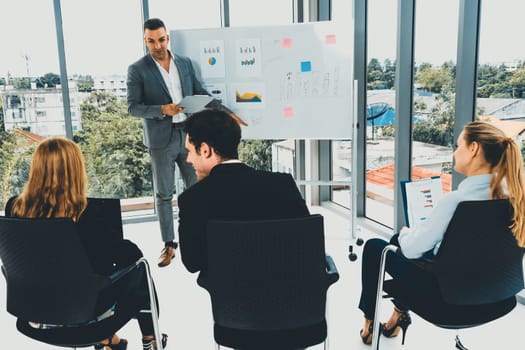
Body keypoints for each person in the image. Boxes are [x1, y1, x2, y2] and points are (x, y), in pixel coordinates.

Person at [357, 121, 525, 345]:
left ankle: (369, 323)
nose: (455, 152)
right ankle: (397, 316)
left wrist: (407, 233)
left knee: (381, 246)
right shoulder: (518, 199)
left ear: (473, 148)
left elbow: (411, 249)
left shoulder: (456, 202)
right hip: (501, 299)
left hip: (448, 304)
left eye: (458, 146)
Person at [5, 138, 167, 350]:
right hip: (82, 315)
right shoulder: (85, 212)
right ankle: (150, 337)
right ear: (75, 169)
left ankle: (110, 341)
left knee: (80, 280)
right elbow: (121, 258)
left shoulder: (14, 208)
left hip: (34, 316)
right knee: (139, 269)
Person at [127, 18, 246, 268]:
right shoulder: (137, 69)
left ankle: (202, 235)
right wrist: (162, 109)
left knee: (197, 189)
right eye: (151, 41)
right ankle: (169, 244)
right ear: (145, 40)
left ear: (167, 38)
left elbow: (200, 94)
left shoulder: (184, 63)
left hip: (189, 134)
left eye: (161, 39)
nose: (157, 45)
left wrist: (226, 112)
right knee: (163, 193)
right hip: (161, 138)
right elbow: (133, 108)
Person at [177, 108, 309, 282]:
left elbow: (192, 263)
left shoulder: (192, 199)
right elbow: (308, 244)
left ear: (204, 149)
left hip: (232, 302)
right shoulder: (283, 184)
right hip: (295, 298)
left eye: (189, 151)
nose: (188, 159)